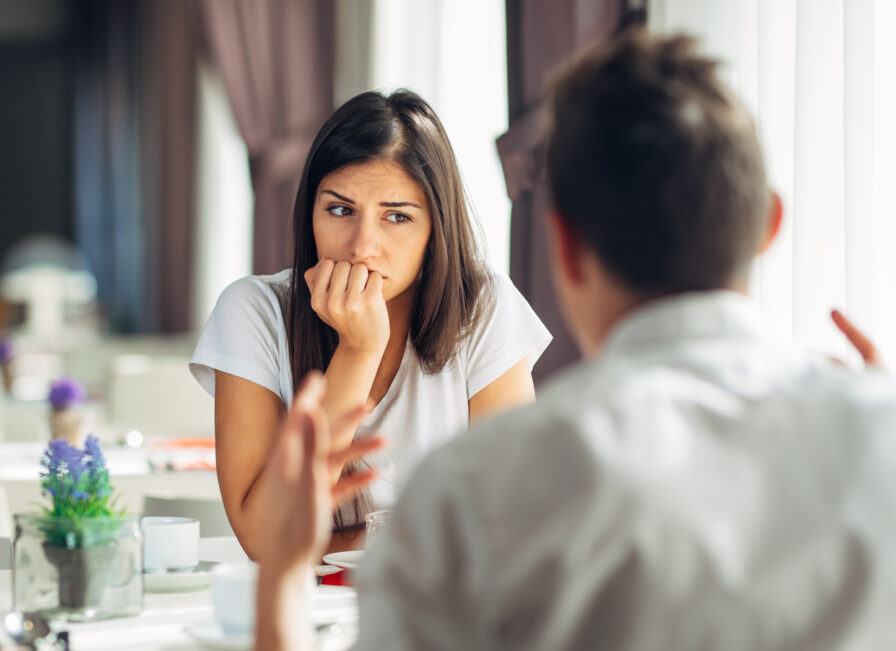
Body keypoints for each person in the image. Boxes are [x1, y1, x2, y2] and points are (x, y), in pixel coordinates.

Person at [254, 30, 896, 651]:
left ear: (563, 245)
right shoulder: (879, 434)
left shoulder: (473, 488)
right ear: (767, 225)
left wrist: (283, 577)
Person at [190, 90, 552, 559]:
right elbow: (265, 536)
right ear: (310, 215)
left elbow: (503, 526)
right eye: (341, 210)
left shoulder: (484, 309)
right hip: (300, 612)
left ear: (435, 231)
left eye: (397, 217)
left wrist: (336, 542)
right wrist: (358, 352)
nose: (362, 246)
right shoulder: (253, 311)